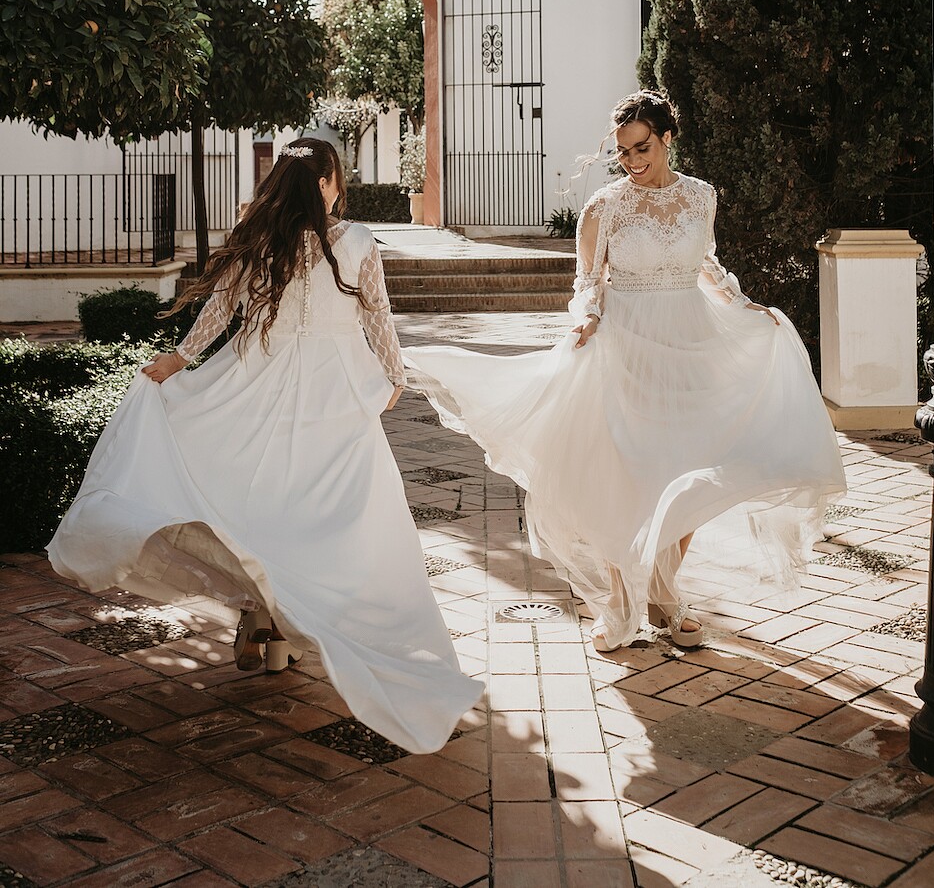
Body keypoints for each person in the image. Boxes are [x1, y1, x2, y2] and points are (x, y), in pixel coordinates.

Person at [48, 138, 481, 754]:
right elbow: (378, 319)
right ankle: (284, 624)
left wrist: (181, 358)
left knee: (258, 506)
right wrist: (394, 379)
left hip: (256, 383)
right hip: (333, 396)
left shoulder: (260, 239)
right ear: (329, 182)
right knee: (331, 517)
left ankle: (267, 621)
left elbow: (220, 307)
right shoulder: (355, 241)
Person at [404, 90, 846, 653]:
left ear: (667, 139)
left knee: (690, 470)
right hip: (626, 348)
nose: (633, 161)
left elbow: (704, 261)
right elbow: (588, 281)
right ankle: (621, 601)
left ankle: (662, 595)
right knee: (631, 477)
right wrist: (585, 319)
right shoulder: (605, 207)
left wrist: (740, 303)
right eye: (623, 152)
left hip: (690, 345)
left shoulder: (701, 197)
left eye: (642, 148)